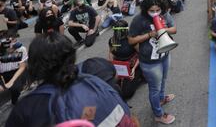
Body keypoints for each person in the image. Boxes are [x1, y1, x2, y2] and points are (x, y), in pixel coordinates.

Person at [5, 32, 138, 127]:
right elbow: (127, 115)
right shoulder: (96, 83)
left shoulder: (27, 107)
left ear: (34, 65)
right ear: (71, 55)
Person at [128, 0, 177, 124]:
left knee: (163, 80)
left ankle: (161, 99)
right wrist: (149, 34)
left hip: (164, 55)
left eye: (157, 10)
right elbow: (131, 40)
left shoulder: (165, 14)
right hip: (150, 62)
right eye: (152, 10)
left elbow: (174, 29)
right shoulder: (139, 20)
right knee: (154, 88)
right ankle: (158, 114)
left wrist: (162, 29)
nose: (155, 13)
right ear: (146, 9)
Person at [0, 35, 28, 104]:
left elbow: (22, 67)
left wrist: (11, 82)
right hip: (3, 73)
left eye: (14, 40)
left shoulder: (21, 49)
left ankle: (15, 101)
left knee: (15, 88)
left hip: (17, 70)